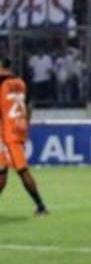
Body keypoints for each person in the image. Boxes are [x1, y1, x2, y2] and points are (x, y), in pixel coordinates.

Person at [0, 57, 48, 214]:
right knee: (2, 169)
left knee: (21, 170)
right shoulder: (20, 82)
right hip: (18, 127)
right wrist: (26, 122)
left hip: (7, 132)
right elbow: (29, 104)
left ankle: (41, 206)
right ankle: (40, 206)